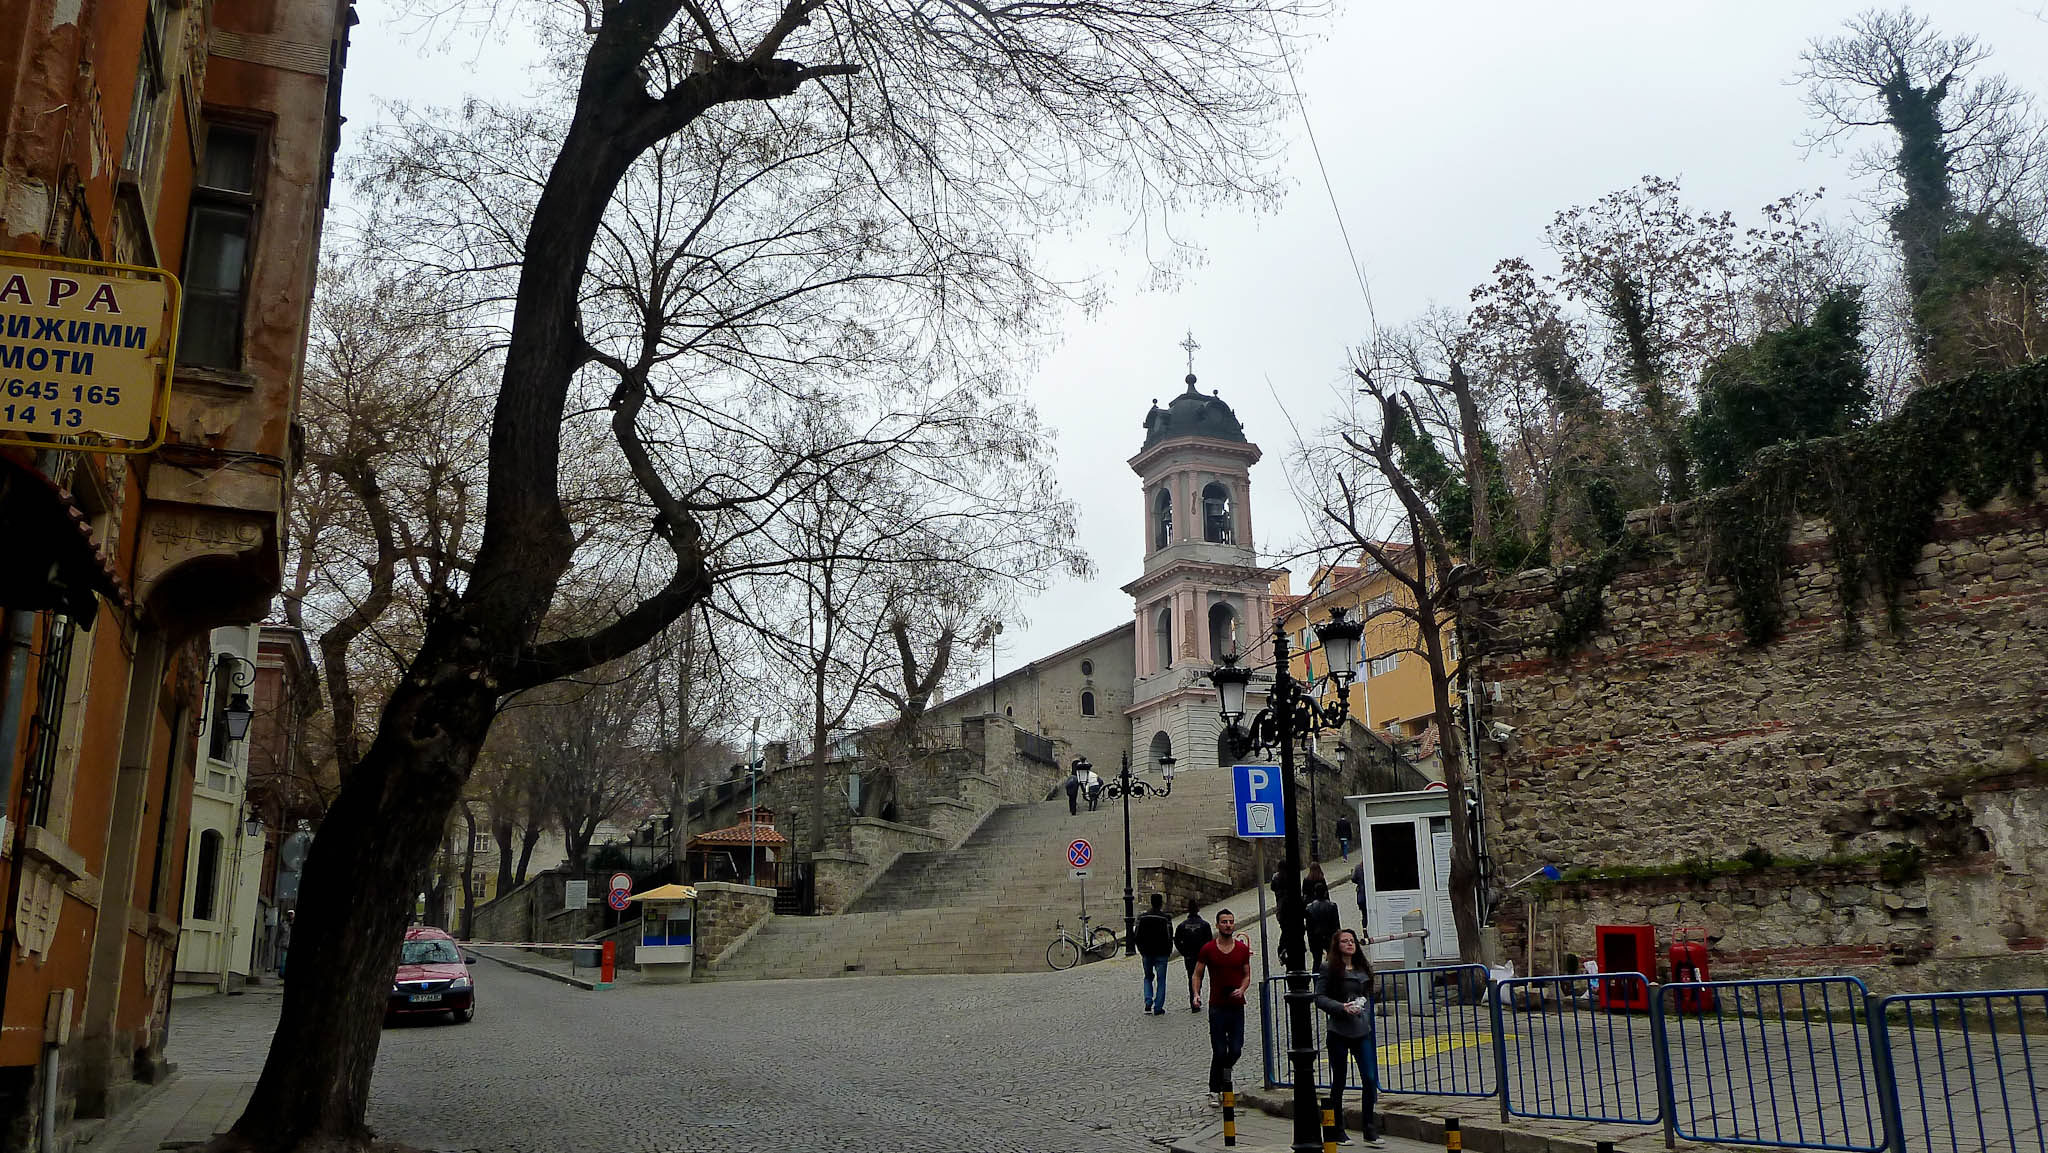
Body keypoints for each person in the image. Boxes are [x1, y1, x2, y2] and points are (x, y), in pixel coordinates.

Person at [1314, 928, 1383, 1146]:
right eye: (1344, 941)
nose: (1349, 944)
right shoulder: (1329, 968)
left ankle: (1369, 1127)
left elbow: (1370, 992)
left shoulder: (1363, 967)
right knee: (1340, 1080)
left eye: (1352, 941)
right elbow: (1319, 997)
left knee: (1370, 1078)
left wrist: (1364, 1003)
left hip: (1361, 1029)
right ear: (1337, 945)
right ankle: (1337, 1129)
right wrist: (1341, 1007)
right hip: (1339, 1030)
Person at [1193, 910, 1252, 1106]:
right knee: (1219, 1051)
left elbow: (1247, 975)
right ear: (1217, 925)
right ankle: (1214, 1089)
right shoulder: (1208, 949)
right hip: (1217, 1006)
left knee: (1235, 1049)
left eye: (1231, 922)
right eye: (1224, 922)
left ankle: (1224, 1074)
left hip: (1236, 1006)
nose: (1228, 925)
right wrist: (1196, 994)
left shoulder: (1242, 950)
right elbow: (1197, 974)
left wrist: (1242, 989)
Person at [1134, 893, 1176, 1015]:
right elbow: (1169, 936)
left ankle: (1148, 1000)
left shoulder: (1142, 917)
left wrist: (1141, 949)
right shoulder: (1165, 918)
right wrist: (1169, 950)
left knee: (1148, 977)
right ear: (1161, 903)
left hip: (1146, 952)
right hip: (1161, 953)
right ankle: (1158, 1007)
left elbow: (1136, 935)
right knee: (1161, 980)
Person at [1174, 901, 1214, 1012]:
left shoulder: (1182, 925)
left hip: (1189, 956)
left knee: (1191, 977)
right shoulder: (1204, 925)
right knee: (1199, 977)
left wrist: (1183, 952)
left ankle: (1193, 998)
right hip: (1201, 956)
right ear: (1198, 909)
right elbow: (1209, 941)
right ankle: (1197, 996)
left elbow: (1177, 941)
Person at [1305, 880, 1341, 971]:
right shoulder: (1332, 906)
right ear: (1325, 893)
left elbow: (1308, 927)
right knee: (1332, 959)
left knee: (1316, 961)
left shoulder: (1309, 908)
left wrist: (1310, 941)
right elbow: (1336, 925)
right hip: (1329, 936)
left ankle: (1316, 980)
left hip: (1315, 937)